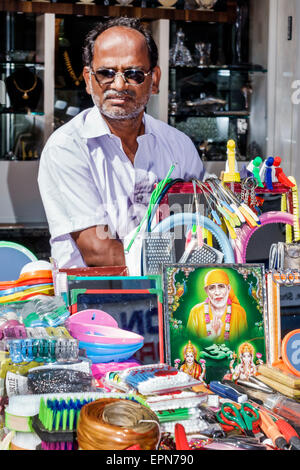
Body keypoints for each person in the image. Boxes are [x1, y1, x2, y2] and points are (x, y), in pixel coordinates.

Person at [38, 17, 204, 269]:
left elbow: (198, 232)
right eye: (106, 73)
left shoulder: (179, 146)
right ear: (88, 78)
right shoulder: (68, 147)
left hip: (173, 298)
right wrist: (182, 262)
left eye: (134, 74)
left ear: (155, 79)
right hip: (92, 301)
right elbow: (97, 251)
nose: (118, 85)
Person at [187, 269, 247, 342]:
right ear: (206, 291)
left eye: (221, 286)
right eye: (212, 288)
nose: (217, 292)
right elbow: (189, 343)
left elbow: (244, 342)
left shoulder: (239, 311)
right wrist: (212, 337)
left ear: (228, 289)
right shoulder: (196, 311)